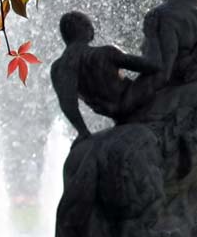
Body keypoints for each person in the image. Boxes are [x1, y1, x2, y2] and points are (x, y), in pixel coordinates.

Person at [51, 11, 159, 141]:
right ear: (84, 28)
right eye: (90, 26)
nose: (93, 30)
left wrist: (83, 131)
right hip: (135, 103)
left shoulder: (58, 68)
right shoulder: (105, 53)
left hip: (112, 113)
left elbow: (67, 103)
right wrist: (152, 35)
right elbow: (152, 66)